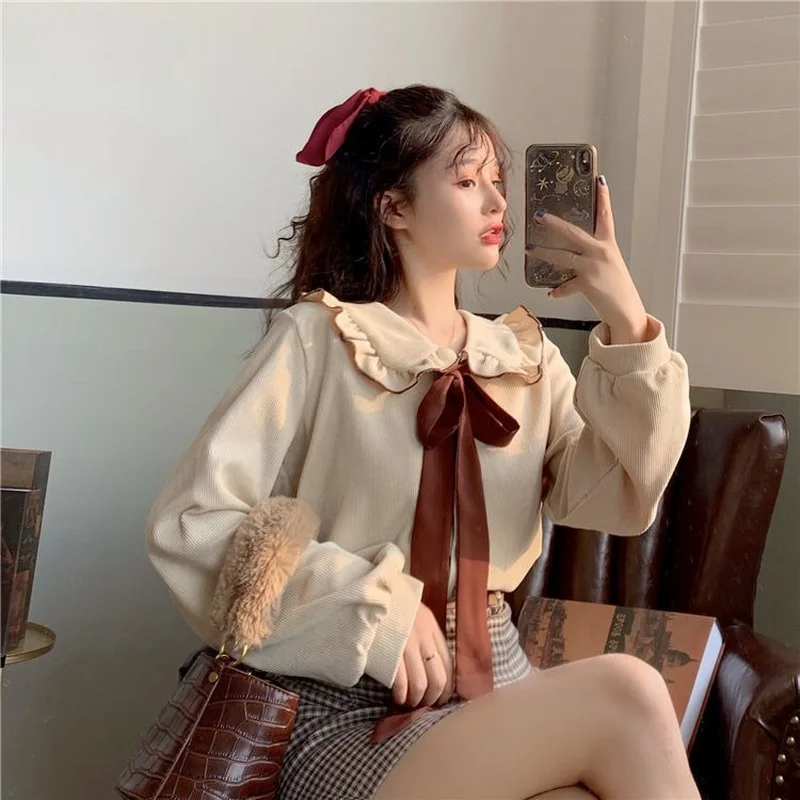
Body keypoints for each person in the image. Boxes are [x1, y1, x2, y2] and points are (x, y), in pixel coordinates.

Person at [146, 84, 699, 800]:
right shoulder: (318, 340)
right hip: (350, 702)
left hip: (498, 681)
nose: (497, 204)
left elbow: (619, 498)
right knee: (629, 689)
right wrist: (376, 610)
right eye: (467, 182)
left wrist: (625, 316)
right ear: (394, 207)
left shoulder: (524, 359)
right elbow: (192, 524)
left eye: (498, 182)